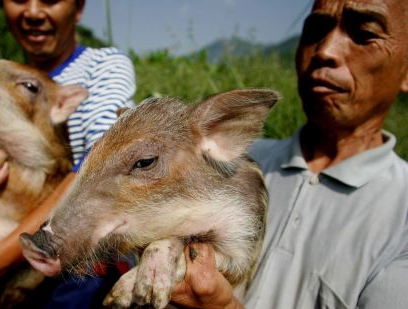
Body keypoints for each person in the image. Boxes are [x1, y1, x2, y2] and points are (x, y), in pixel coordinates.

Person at [171, 0, 408, 308]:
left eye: (363, 33)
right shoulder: (229, 164)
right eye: (315, 30)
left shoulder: (402, 214)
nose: (325, 50)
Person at [0, 0, 136, 307]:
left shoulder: (103, 65)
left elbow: (104, 154)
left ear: (79, 7)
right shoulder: (6, 70)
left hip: (63, 266)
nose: (32, 11)